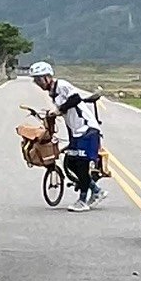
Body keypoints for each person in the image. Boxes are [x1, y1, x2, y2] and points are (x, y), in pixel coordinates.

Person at [28, 60, 107, 207]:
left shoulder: (62, 85)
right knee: (70, 162)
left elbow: (75, 98)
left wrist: (59, 109)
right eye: (36, 80)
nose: (38, 83)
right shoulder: (53, 93)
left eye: (39, 79)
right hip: (76, 132)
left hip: (87, 129)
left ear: (48, 77)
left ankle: (83, 200)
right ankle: (96, 191)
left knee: (81, 164)